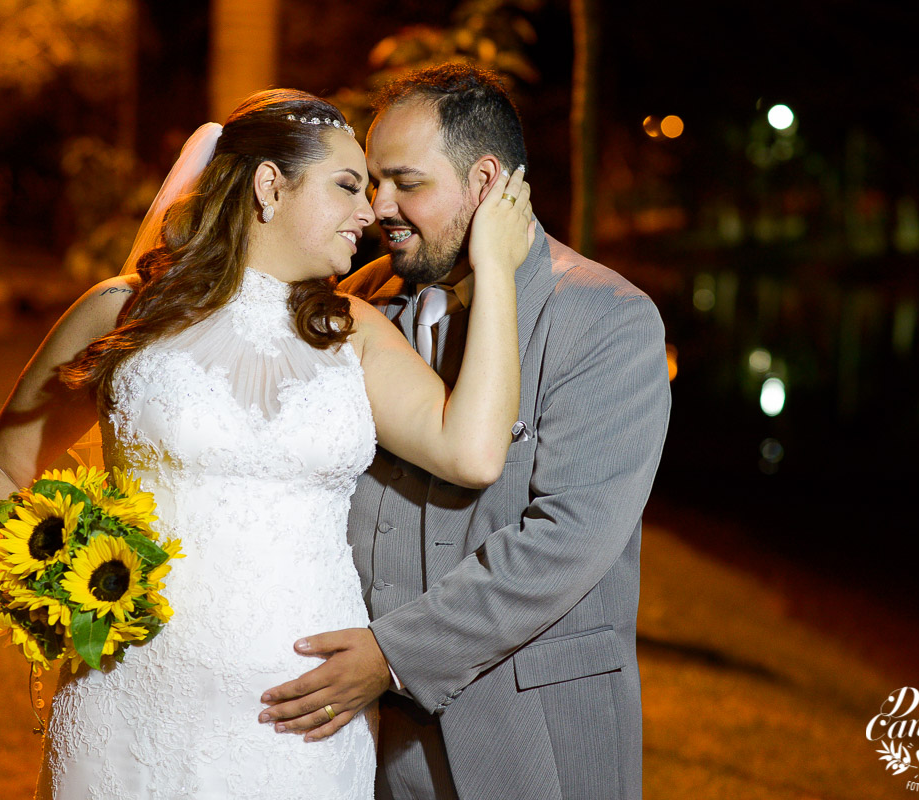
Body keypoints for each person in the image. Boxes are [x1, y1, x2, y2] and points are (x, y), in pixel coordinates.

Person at [0, 88, 534, 799]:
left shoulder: (352, 331)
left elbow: (472, 452)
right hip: (128, 704)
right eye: (348, 187)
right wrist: (49, 588)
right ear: (269, 186)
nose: (370, 213)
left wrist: (498, 270)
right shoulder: (124, 313)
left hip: (302, 724)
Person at [258, 66, 671, 800]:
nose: (380, 207)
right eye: (371, 182)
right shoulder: (356, 304)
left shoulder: (608, 320)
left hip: (531, 737)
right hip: (366, 743)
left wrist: (391, 657)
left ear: (486, 183)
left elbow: (569, 537)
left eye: (405, 183)